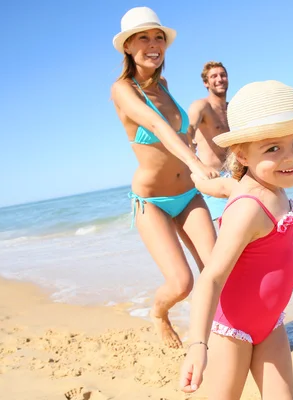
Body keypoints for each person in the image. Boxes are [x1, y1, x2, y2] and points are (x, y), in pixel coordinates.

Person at [179, 80, 293, 399]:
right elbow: (212, 278)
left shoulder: (270, 185)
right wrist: (198, 344)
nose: (291, 157)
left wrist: (202, 181)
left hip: (271, 325)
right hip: (233, 329)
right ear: (242, 154)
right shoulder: (248, 208)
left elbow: (222, 187)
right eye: (273, 148)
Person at [110, 6, 219, 348]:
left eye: (158, 37)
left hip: (188, 193)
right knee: (181, 284)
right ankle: (159, 314)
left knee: (217, 272)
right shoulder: (122, 89)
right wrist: (197, 164)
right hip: (152, 201)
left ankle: (218, 336)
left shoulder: (166, 85)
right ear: (128, 46)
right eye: (143, 37)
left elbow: (184, 135)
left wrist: (220, 165)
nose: (153, 44)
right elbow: (157, 126)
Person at [187, 61, 231, 221]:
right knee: (226, 227)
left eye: (223, 75)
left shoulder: (232, 108)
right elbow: (189, 129)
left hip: (236, 176)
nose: (220, 79)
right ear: (206, 83)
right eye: (214, 76)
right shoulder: (202, 106)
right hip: (214, 179)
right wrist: (194, 162)